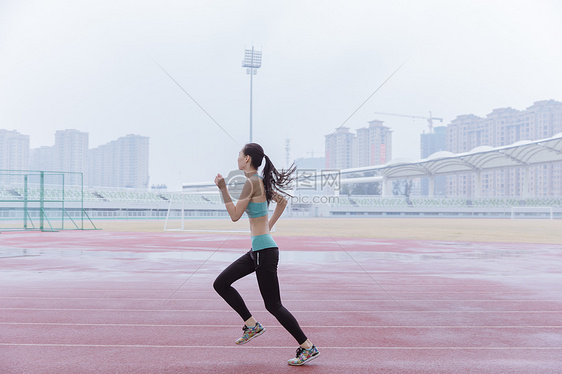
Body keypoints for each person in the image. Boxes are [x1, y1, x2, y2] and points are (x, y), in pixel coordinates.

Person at [213, 143, 320, 366]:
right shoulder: (259, 182)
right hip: (259, 250)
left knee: (273, 305)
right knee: (221, 283)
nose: (237, 158)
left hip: (264, 252)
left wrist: (223, 189)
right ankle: (252, 325)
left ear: (248, 159)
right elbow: (283, 201)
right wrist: (268, 226)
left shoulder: (251, 182)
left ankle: (307, 346)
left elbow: (234, 215)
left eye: (239, 155)